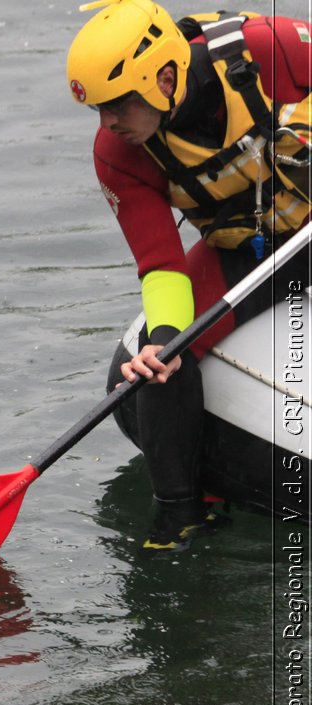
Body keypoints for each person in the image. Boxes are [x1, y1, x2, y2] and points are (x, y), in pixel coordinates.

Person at [66, 0, 312, 548]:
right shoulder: (118, 154)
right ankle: (179, 519)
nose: (108, 123)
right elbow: (161, 265)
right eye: (98, 110)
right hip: (254, 252)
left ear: (166, 78)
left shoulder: (275, 50)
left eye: (119, 104)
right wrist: (165, 341)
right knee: (152, 366)